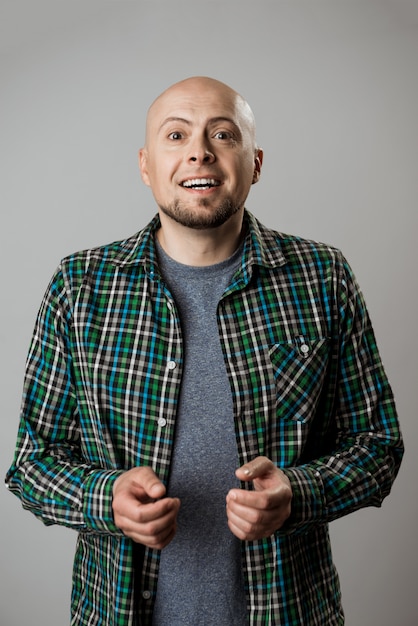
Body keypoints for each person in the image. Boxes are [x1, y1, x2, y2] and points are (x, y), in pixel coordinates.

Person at [6, 76, 403, 626]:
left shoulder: (322, 278)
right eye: (176, 135)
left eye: (223, 133)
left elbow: (378, 445)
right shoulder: (80, 287)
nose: (199, 150)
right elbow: (32, 463)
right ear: (145, 166)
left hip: (289, 612)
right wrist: (107, 498)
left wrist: (299, 492)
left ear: (255, 162)